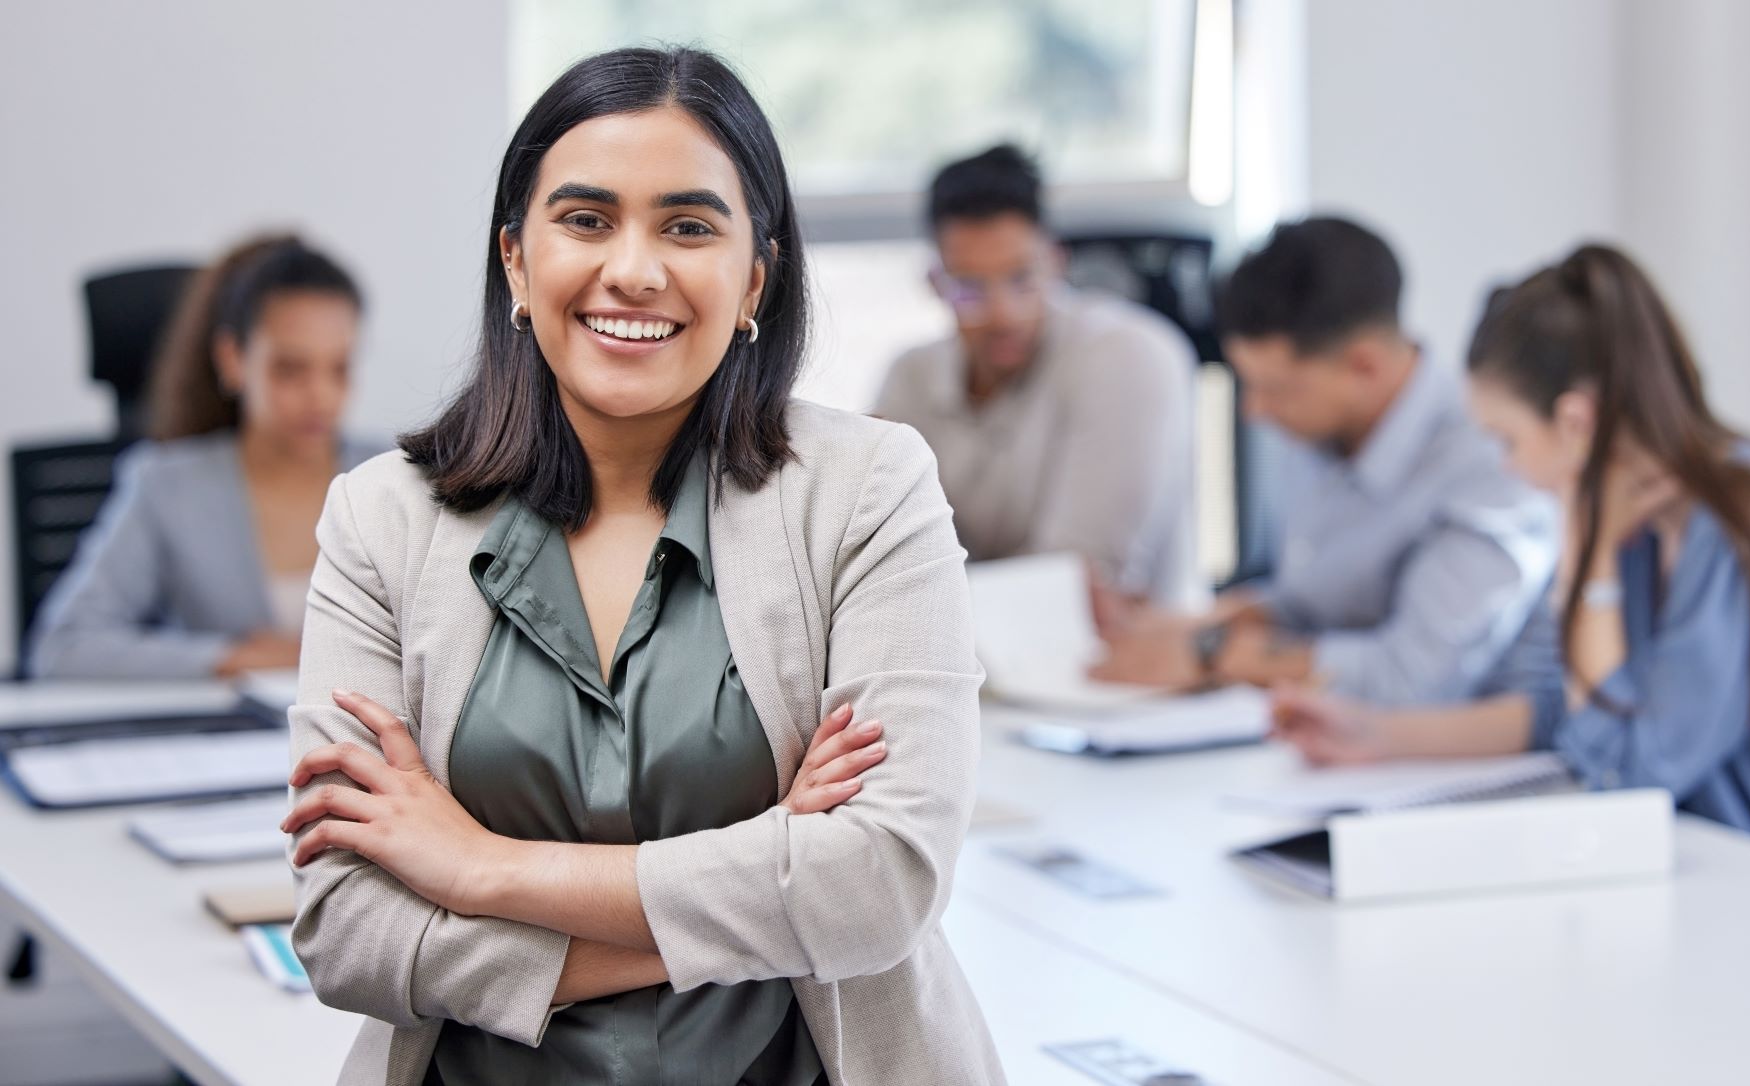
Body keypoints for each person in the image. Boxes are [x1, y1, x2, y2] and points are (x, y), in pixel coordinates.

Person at [282, 47, 1003, 1085]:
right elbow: (348, 932)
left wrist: (478, 866)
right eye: (584, 219)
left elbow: (881, 886)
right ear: (518, 263)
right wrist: (771, 872)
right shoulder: (381, 520)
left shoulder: (868, 489)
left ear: (754, 276)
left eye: (688, 226)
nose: (633, 269)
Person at [1273, 244, 1750, 858]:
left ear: (1577, 424)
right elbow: (1562, 715)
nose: (1509, 468)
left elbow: (1624, 773)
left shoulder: (1739, 522)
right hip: (1726, 876)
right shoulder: (1648, 523)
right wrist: (1378, 737)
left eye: (1507, 439)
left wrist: (1592, 557)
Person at [1095, 217, 1558, 706]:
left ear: (1365, 366)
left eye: (1276, 389)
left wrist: (1214, 653)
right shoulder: (1321, 432)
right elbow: (1313, 606)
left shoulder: (1490, 461)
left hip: (1459, 759)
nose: (1254, 410)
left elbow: (1413, 678)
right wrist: (1200, 622)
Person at [29, 234, 383, 680]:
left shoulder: (393, 478)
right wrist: (234, 658)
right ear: (233, 360)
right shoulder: (167, 484)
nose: (321, 396)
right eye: (291, 370)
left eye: (340, 369)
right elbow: (63, 649)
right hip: (228, 743)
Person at [873, 144, 1198, 604]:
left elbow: (1079, 586)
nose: (1003, 313)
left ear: (1056, 263)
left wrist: (912, 596)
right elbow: (877, 557)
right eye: (969, 287)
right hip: (970, 662)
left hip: (1125, 665)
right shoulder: (910, 376)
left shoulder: (1129, 354)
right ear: (936, 284)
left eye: (1022, 278)